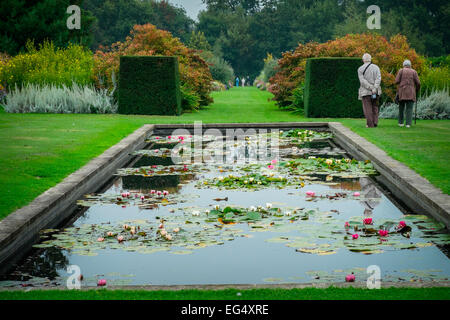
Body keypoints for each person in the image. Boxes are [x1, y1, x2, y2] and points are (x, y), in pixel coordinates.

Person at [358, 53, 382, 128]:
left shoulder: (360, 69)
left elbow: (362, 81)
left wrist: (370, 87)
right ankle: (375, 122)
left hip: (366, 91)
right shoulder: (376, 67)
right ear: (371, 59)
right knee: (375, 106)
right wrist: (375, 87)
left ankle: (370, 124)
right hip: (376, 91)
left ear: (363, 60)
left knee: (367, 108)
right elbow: (378, 78)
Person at [395, 60, 421, 128]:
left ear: (403, 65)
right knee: (409, 108)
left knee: (401, 108)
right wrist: (417, 89)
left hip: (402, 92)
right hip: (411, 92)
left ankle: (400, 123)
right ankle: (408, 124)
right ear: (410, 65)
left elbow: (396, 81)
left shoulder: (401, 71)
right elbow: (418, 83)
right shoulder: (414, 71)